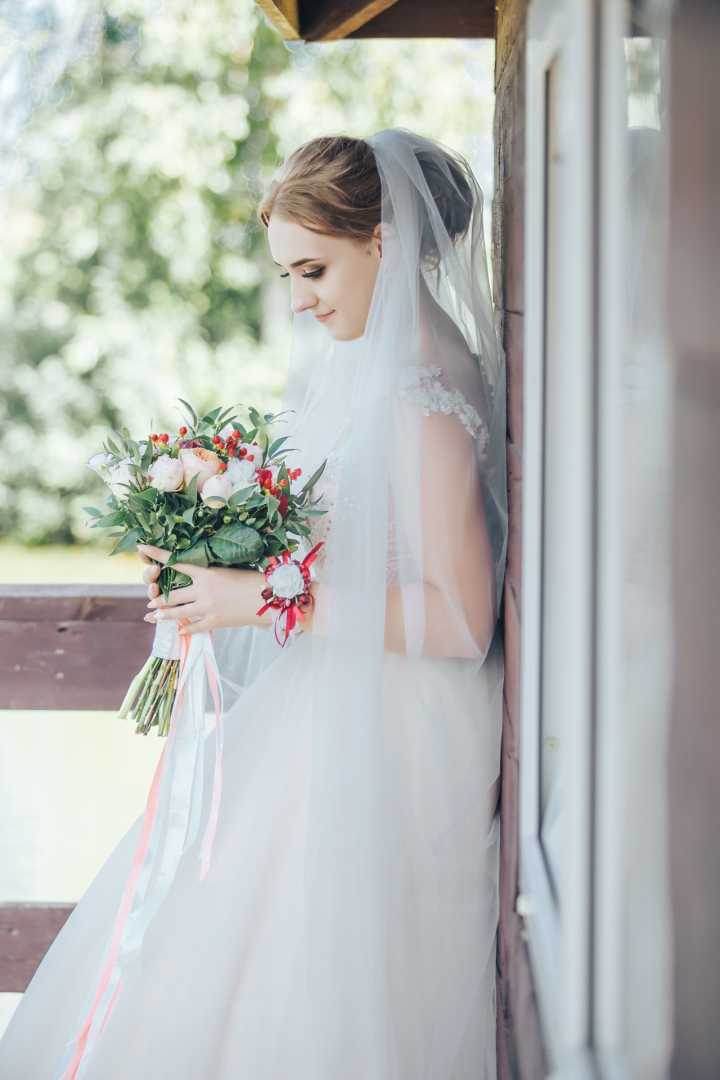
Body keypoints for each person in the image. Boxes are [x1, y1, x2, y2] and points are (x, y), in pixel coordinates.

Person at [0, 129, 507, 1080]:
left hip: (393, 731)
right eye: (287, 274)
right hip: (344, 697)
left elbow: (463, 620)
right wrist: (224, 545)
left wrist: (265, 597)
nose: (299, 299)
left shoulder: (425, 396)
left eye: (313, 268)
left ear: (385, 242)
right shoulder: (374, 365)